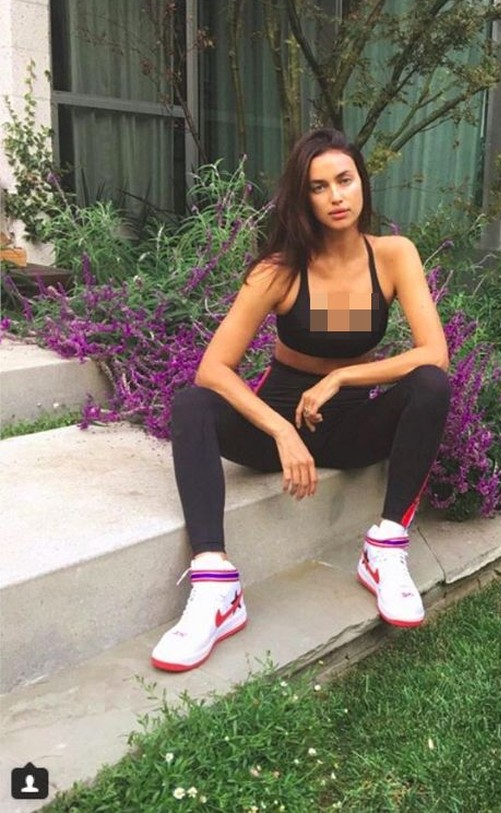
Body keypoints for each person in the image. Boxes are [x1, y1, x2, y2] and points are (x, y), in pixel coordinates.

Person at [151, 128, 451, 672]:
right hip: (277, 431)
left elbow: (434, 353)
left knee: (431, 383)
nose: (336, 196)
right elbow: (213, 368)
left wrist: (341, 378)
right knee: (191, 403)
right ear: (303, 197)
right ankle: (216, 586)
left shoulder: (393, 256)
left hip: (352, 431)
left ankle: (385, 548)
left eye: (345, 180)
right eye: (319, 187)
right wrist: (282, 429)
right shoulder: (280, 269)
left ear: (362, 184)